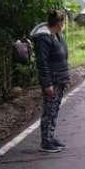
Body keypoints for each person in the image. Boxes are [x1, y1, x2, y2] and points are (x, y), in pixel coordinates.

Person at [31, 9, 70, 153]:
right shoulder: (44, 38)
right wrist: (47, 83)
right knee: (49, 110)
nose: (65, 24)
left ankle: (50, 136)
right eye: (63, 21)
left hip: (59, 79)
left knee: (54, 110)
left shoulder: (56, 35)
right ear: (59, 23)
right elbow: (43, 63)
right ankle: (45, 141)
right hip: (52, 80)